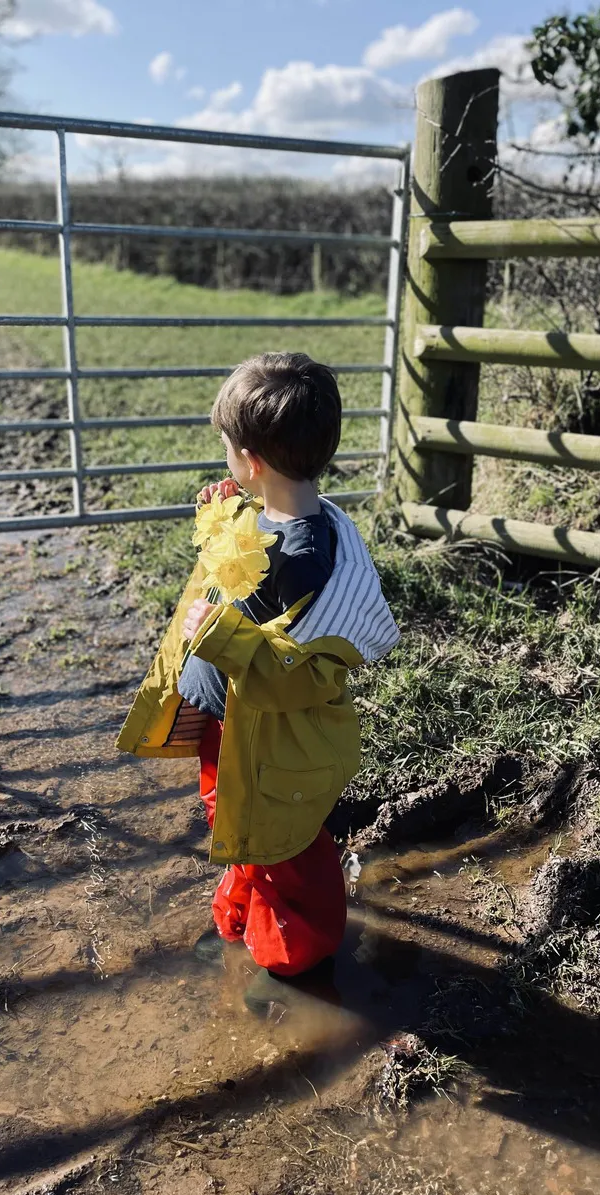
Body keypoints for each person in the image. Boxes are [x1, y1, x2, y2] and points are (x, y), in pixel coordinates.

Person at [116, 352, 399, 1013]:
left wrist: (218, 634)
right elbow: (239, 542)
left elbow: (293, 676)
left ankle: (299, 958)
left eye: (227, 452)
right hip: (233, 731)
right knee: (246, 827)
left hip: (269, 741)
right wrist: (225, 513)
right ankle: (243, 924)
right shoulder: (269, 514)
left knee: (289, 851)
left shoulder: (302, 561)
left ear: (252, 460)